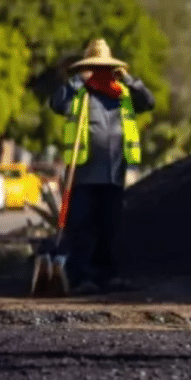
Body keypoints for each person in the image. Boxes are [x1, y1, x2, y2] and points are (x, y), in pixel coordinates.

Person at [43, 38, 155, 296]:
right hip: (83, 174)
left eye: (106, 67)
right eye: (96, 67)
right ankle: (81, 277)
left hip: (114, 173)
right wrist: (78, 80)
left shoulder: (123, 93)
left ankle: (108, 276)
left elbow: (148, 103)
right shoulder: (79, 93)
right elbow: (55, 103)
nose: (101, 72)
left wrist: (129, 80)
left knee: (110, 228)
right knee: (82, 227)